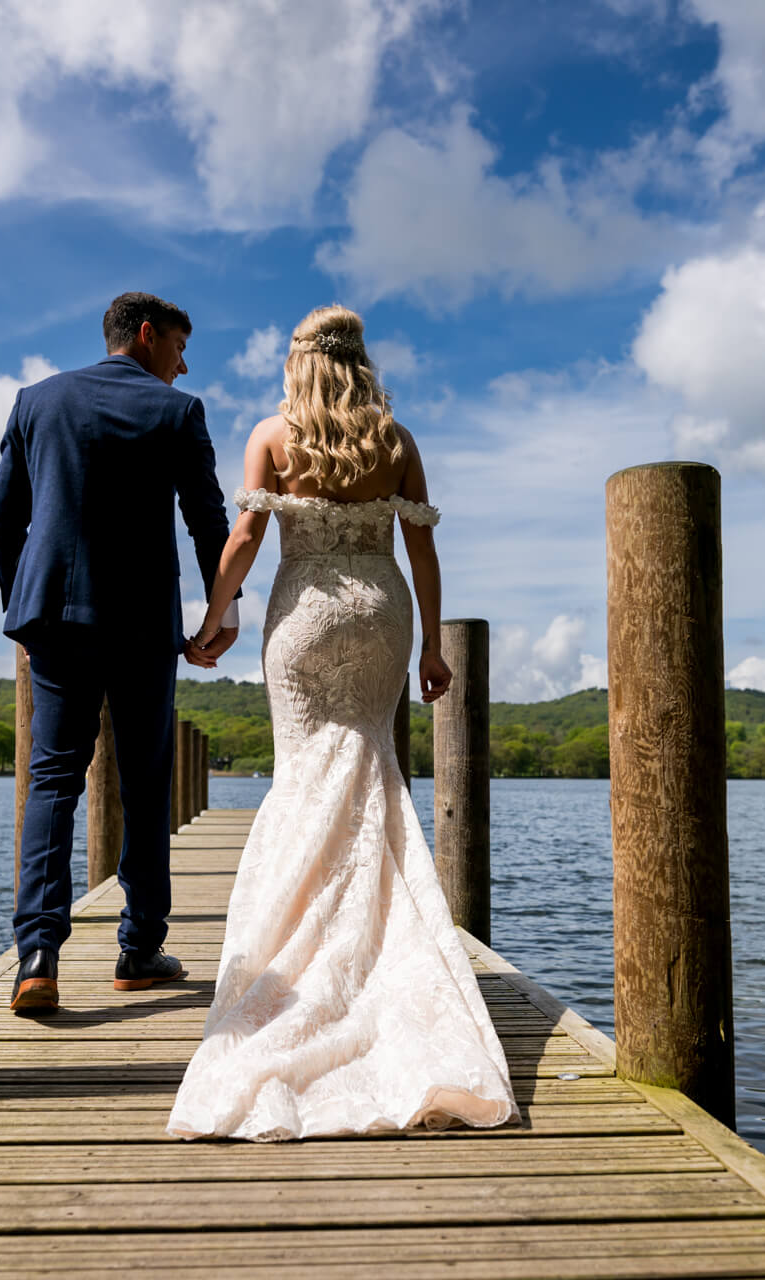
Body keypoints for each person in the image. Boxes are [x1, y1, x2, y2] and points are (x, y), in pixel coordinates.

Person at [166, 305, 517, 1141]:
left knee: (308, 774)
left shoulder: (272, 436)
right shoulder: (396, 441)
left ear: (298, 363)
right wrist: (433, 644)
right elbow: (422, 550)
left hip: (306, 612)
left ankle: (300, 957)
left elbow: (247, 534)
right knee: (369, 773)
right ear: (362, 364)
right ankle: (381, 952)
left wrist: (217, 615)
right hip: (380, 611)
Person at [0, 291, 239, 1014]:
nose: (183, 366)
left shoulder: (36, 401)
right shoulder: (177, 412)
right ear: (149, 334)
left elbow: (4, 520)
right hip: (140, 626)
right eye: (181, 349)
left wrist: (22, 615)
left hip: (56, 619)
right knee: (145, 786)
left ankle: (36, 957)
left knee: (53, 781)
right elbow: (206, 522)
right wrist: (219, 617)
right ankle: (138, 948)